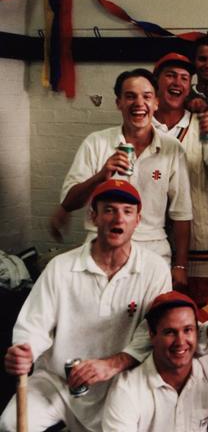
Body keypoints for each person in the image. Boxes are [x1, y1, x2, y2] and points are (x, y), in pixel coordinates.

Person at [1, 180, 172, 432]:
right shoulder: (59, 267)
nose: (118, 219)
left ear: (138, 220)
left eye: (127, 211)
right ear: (93, 216)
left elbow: (154, 332)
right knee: (10, 424)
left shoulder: (155, 268)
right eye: (109, 210)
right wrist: (24, 351)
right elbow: (33, 326)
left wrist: (112, 364)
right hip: (57, 383)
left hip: (120, 383)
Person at [49, 68, 193, 288]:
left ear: (156, 103)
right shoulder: (96, 142)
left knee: (149, 319)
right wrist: (101, 177)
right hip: (101, 245)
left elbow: (182, 213)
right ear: (118, 103)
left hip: (152, 247)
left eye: (146, 96)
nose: (139, 103)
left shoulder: (172, 149)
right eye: (130, 96)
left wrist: (180, 266)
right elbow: (68, 202)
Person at [151, 52, 208, 303]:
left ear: (190, 86)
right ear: (156, 82)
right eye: (170, 76)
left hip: (199, 244)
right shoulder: (141, 125)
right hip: (150, 241)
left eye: (184, 78)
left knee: (200, 317)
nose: (177, 82)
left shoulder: (201, 126)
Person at [102, 291, 208, 432]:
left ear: (197, 332)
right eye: (170, 332)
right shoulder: (127, 388)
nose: (180, 342)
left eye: (188, 330)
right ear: (152, 335)